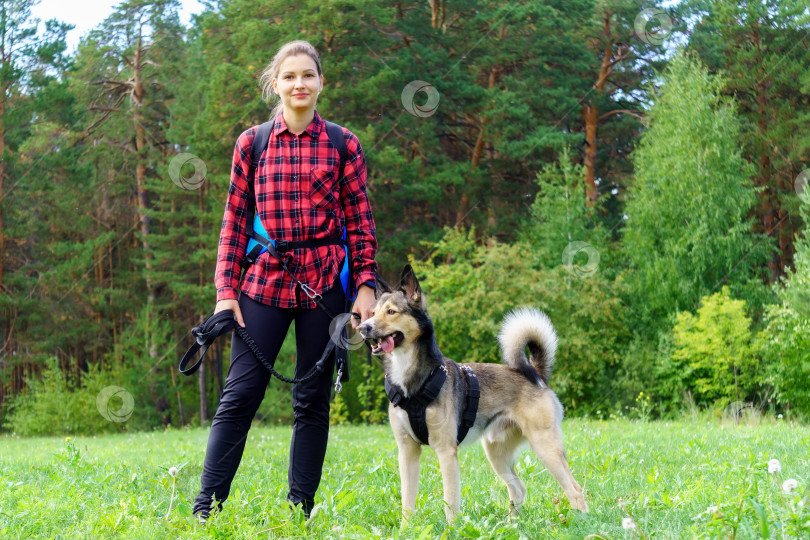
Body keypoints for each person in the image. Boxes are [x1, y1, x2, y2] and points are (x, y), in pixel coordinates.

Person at [192, 40, 377, 521]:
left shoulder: (343, 144)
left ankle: (301, 511)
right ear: (276, 84)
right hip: (263, 285)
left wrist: (365, 287)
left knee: (312, 401)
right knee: (240, 396)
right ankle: (204, 510)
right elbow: (234, 222)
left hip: (324, 287)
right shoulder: (251, 143)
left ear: (321, 83)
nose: (299, 84)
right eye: (290, 76)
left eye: (308, 75)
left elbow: (360, 225)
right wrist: (224, 293)